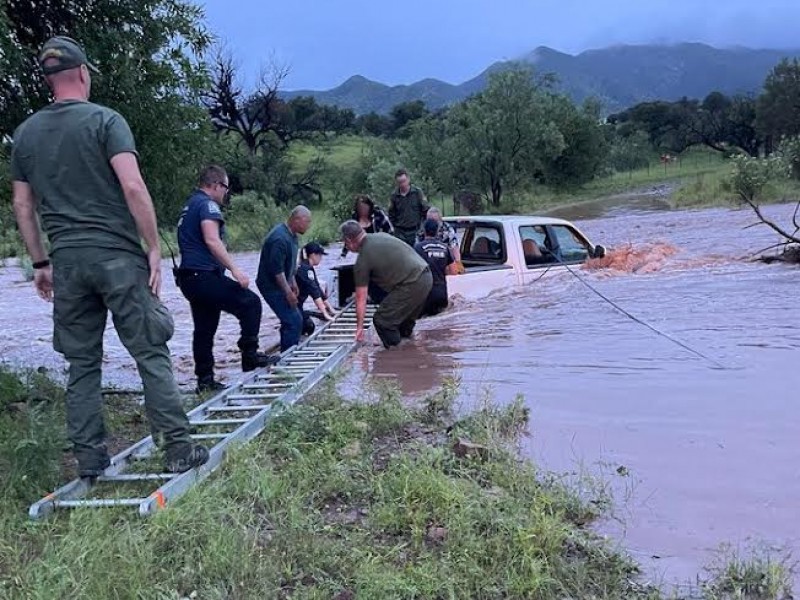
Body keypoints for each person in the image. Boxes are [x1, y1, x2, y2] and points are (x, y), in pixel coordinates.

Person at [10, 36, 208, 476]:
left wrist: (41, 264)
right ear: (83, 74)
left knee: (81, 363)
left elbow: (23, 206)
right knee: (149, 350)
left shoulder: (24, 135)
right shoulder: (105, 121)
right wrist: (154, 246)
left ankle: (90, 458)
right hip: (118, 257)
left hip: (68, 263)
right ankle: (177, 447)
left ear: (48, 81)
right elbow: (133, 186)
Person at [176, 165, 278, 393]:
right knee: (251, 303)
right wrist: (235, 269)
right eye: (225, 188)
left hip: (188, 279)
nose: (226, 194)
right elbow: (212, 240)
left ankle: (205, 380)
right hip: (203, 275)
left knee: (204, 329)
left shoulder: (190, 204)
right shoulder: (207, 204)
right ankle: (249, 355)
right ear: (215, 185)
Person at [339, 220, 432, 348]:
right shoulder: (381, 235)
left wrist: (359, 328)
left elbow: (361, 297)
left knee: (382, 320)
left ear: (349, 241)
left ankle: (398, 357)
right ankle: (412, 353)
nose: (346, 248)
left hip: (412, 282)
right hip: (426, 277)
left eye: (345, 244)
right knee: (402, 325)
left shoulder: (363, 259)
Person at [256, 206, 312, 351]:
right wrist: (288, 293)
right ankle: (287, 359)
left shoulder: (292, 236)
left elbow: (290, 264)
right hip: (271, 285)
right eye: (307, 222)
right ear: (297, 219)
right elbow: (277, 271)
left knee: (292, 318)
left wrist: (293, 283)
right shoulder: (279, 239)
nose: (308, 225)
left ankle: (286, 349)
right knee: (294, 320)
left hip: (282, 282)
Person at [415, 218, 455, 316]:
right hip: (442, 294)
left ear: (424, 231)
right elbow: (452, 271)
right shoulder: (445, 248)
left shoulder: (418, 248)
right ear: (437, 231)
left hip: (425, 295)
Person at [296, 241, 337, 336]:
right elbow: (314, 292)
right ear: (313, 255)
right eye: (320, 255)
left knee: (307, 325)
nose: (321, 258)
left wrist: (330, 309)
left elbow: (318, 288)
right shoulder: (304, 269)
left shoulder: (307, 267)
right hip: (292, 306)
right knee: (308, 326)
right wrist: (325, 313)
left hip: (297, 305)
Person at [388, 168, 429, 246]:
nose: (402, 184)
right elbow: (391, 214)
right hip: (400, 232)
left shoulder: (417, 193)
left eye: (404, 181)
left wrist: (422, 228)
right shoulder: (394, 196)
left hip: (415, 231)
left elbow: (425, 210)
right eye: (400, 182)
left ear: (408, 179)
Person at [417, 206, 464, 271]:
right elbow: (417, 250)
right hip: (427, 265)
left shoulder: (448, 229)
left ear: (440, 219)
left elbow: (454, 247)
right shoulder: (422, 230)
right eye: (430, 220)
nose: (433, 223)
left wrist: (458, 263)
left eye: (435, 221)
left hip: (444, 263)